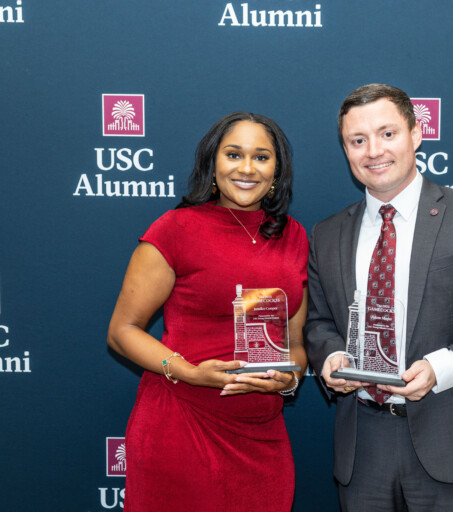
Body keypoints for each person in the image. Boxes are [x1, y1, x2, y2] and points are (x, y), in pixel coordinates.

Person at [305, 84, 453, 511]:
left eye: (387, 133)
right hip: (363, 449)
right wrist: (332, 357)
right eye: (358, 140)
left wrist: (438, 368)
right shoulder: (327, 234)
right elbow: (319, 322)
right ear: (346, 149)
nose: (373, 150)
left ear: (416, 134)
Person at [107, 112, 308, 511]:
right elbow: (122, 330)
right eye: (234, 154)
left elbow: (296, 342)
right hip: (181, 425)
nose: (247, 168)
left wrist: (288, 379)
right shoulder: (175, 229)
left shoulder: (295, 236)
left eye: (262, 157)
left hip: (261, 437)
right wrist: (190, 373)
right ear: (213, 164)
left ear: (277, 170)